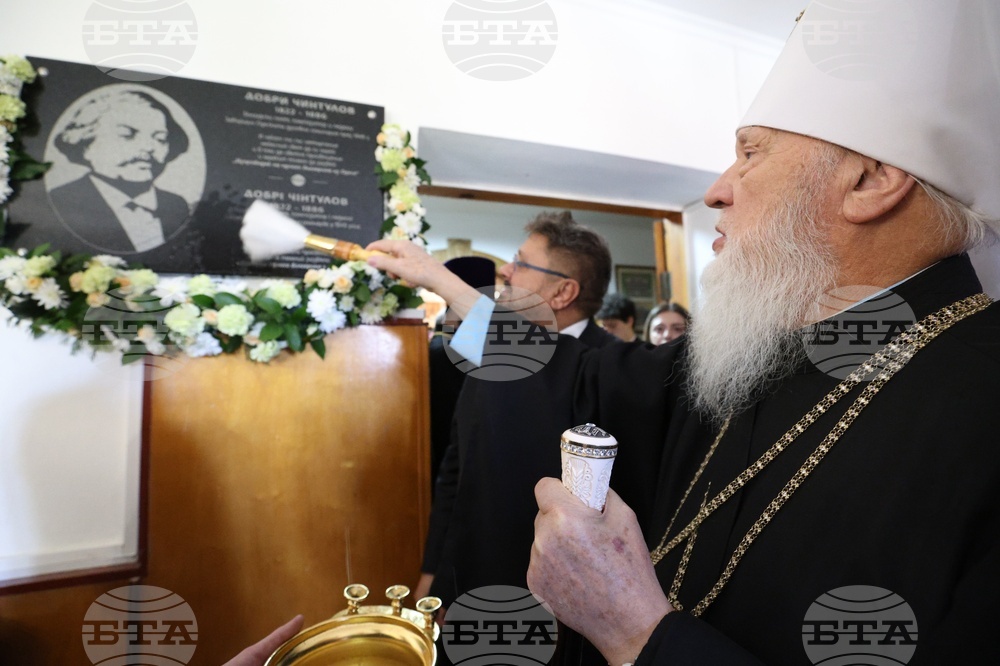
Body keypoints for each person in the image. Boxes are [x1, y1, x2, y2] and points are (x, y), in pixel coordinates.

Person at [368, 2, 1000, 663]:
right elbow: (576, 377)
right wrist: (442, 283)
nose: (719, 190)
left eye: (750, 154)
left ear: (869, 181)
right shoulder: (767, 348)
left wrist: (639, 634)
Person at [413, 211, 621, 621]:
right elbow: (457, 468)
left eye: (521, 263)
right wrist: (434, 572)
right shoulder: (492, 355)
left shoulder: (611, 371)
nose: (505, 271)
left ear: (563, 292)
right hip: (472, 577)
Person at [49, 89, 192, 253]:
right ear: (85, 145)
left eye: (160, 139)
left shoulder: (176, 205)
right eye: (127, 135)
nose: (148, 147)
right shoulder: (62, 202)